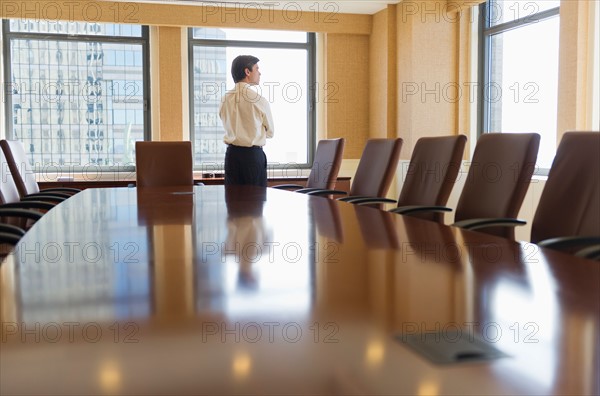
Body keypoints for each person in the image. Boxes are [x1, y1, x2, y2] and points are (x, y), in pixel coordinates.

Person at [219, 55, 274, 186]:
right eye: (257, 68)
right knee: (255, 202)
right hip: (253, 157)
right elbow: (270, 132)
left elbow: (225, 122)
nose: (260, 73)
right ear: (247, 72)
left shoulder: (224, 99)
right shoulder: (259, 100)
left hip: (231, 156)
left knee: (233, 201)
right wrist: (254, 133)